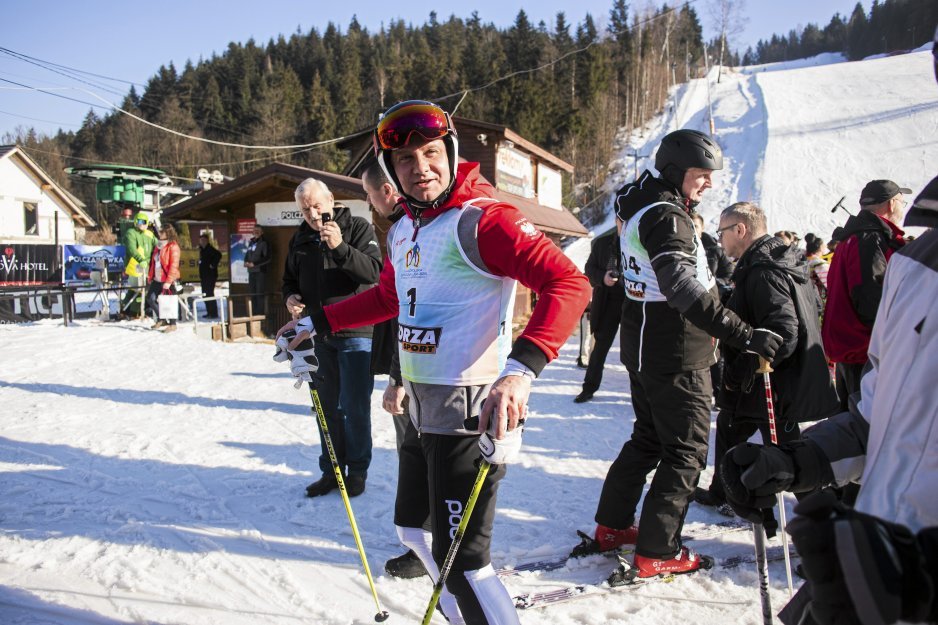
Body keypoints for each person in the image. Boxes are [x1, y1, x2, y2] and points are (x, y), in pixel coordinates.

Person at [276, 100, 591, 625]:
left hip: (469, 409)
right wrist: (316, 322)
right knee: (414, 535)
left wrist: (520, 372)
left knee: (465, 563)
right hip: (421, 411)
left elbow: (569, 284)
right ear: (391, 170)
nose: (419, 167)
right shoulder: (405, 228)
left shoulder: (484, 220)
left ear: (449, 152)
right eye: (404, 160)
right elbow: (389, 300)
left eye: (429, 153)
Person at [719, 174, 938, 625]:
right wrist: (797, 461)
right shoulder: (914, 261)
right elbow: (881, 418)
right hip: (868, 575)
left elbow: (786, 325)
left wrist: (919, 577)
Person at [584, 128, 782, 579]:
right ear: (676, 170)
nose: (709, 183)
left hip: (643, 346)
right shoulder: (666, 216)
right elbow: (682, 288)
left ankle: (612, 527)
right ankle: (658, 550)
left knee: (648, 439)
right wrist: (743, 333)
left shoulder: (637, 198)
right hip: (676, 352)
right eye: (701, 174)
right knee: (686, 453)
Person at [693, 202, 838, 512]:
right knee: (731, 427)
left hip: (770, 382)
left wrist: (751, 366)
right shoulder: (772, 261)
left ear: (740, 230)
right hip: (758, 382)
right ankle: (723, 491)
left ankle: (825, 516)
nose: (720, 240)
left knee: (786, 453)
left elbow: (783, 331)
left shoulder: (763, 272)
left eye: (722, 233)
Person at [283, 178, 382, 498]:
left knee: (353, 406)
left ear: (331, 200)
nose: (312, 213)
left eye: (316, 205)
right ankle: (331, 470)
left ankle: (357, 471)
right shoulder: (299, 238)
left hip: (356, 332)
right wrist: (290, 297)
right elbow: (288, 280)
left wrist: (340, 247)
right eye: (305, 208)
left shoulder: (357, 227)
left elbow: (374, 274)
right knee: (326, 408)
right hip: (317, 331)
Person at [361, 160, 427, 580]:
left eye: (369, 195)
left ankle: (426, 545)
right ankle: (425, 540)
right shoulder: (407, 228)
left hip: (419, 366)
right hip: (412, 361)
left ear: (386, 190)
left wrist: (398, 378)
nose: (370, 205)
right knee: (417, 452)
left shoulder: (413, 230)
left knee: (418, 453)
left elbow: (413, 309)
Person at [822, 179, 908, 410]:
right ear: (891, 204)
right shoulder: (869, 239)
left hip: (854, 352)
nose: (903, 207)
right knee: (866, 430)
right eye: (902, 201)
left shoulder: (855, 238)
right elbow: (870, 298)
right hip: (866, 355)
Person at [574, 226, 625, 403]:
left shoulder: (640, 241)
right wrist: (604, 277)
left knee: (634, 352)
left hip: (632, 302)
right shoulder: (602, 243)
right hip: (607, 301)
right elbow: (589, 269)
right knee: (600, 349)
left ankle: (640, 395)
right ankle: (588, 388)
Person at [119, 211, 156, 318]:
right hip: (134, 266)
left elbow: (157, 244)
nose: (141, 224)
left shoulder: (149, 234)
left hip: (147, 267)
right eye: (139, 221)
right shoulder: (131, 232)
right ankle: (133, 312)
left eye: (144, 222)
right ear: (135, 222)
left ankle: (128, 310)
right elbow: (131, 249)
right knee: (138, 289)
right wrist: (141, 260)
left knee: (139, 289)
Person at [147, 223, 182, 332]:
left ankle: (173, 324)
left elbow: (174, 265)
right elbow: (154, 262)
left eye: (162, 232)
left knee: (169, 301)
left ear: (168, 233)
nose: (159, 234)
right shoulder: (159, 245)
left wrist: (169, 281)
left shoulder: (173, 246)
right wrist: (150, 276)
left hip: (168, 279)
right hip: (157, 278)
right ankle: (161, 319)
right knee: (150, 298)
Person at [243, 225, 270, 316]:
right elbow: (247, 254)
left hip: (260, 271)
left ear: (262, 232)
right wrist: (245, 262)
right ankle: (253, 312)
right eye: (255, 230)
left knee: (259, 293)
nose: (256, 232)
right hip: (251, 271)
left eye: (258, 230)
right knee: (252, 292)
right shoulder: (251, 242)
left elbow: (267, 258)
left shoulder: (264, 242)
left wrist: (254, 264)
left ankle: (259, 313)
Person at [804, 233, 830, 315]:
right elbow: (830, 285)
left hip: (803, 300)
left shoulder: (800, 262)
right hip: (820, 303)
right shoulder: (821, 264)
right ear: (820, 248)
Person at [198, 234, 222, 319]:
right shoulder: (202, 250)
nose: (202, 242)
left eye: (204, 240)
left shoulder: (210, 249)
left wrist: (213, 265)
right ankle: (209, 312)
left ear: (207, 241)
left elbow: (218, 254)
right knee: (205, 294)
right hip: (204, 276)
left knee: (209, 293)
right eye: (201, 240)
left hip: (210, 275)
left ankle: (213, 313)